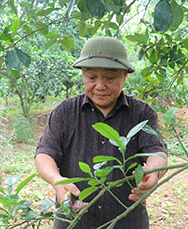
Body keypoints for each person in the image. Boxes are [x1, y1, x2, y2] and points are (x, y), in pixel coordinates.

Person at [34, 36, 168, 228]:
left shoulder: (141, 113)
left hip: (127, 220)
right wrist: (57, 179)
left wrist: (153, 172)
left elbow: (156, 152)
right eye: (91, 77)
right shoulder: (65, 112)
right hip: (74, 221)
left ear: (125, 75)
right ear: (83, 75)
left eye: (110, 78)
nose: (100, 86)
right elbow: (44, 153)